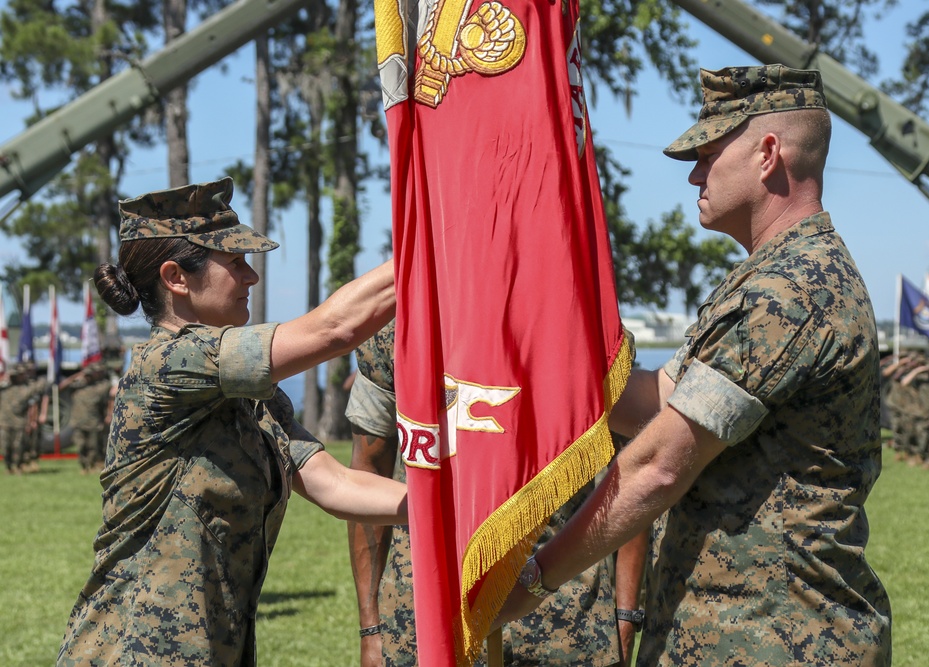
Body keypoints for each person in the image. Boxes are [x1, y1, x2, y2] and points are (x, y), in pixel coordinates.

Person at [497, 64, 892, 666]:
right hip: (745, 632)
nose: (693, 175)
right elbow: (649, 404)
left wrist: (529, 582)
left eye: (708, 154)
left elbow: (658, 465)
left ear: (766, 154)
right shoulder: (771, 278)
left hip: (777, 639)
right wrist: (529, 325)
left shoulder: (790, 292)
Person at [57, 177, 406, 666]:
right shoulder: (168, 365)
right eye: (236, 263)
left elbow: (336, 485)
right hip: (134, 652)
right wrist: (430, 247)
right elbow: (335, 329)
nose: (252, 278)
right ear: (176, 277)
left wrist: (454, 506)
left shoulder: (251, 394)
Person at [346, 319, 647, 666]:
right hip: (424, 620)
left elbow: (630, 474)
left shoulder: (588, 324)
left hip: (564, 621)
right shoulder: (401, 329)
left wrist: (626, 616)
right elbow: (367, 469)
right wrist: (371, 630)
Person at [59, 361, 114, 474]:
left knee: (93, 446)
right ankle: (84, 466)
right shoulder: (76, 387)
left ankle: (92, 465)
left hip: (93, 421)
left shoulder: (101, 386)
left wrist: (109, 414)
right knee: (80, 445)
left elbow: (111, 397)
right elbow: (61, 386)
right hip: (78, 422)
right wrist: (78, 375)